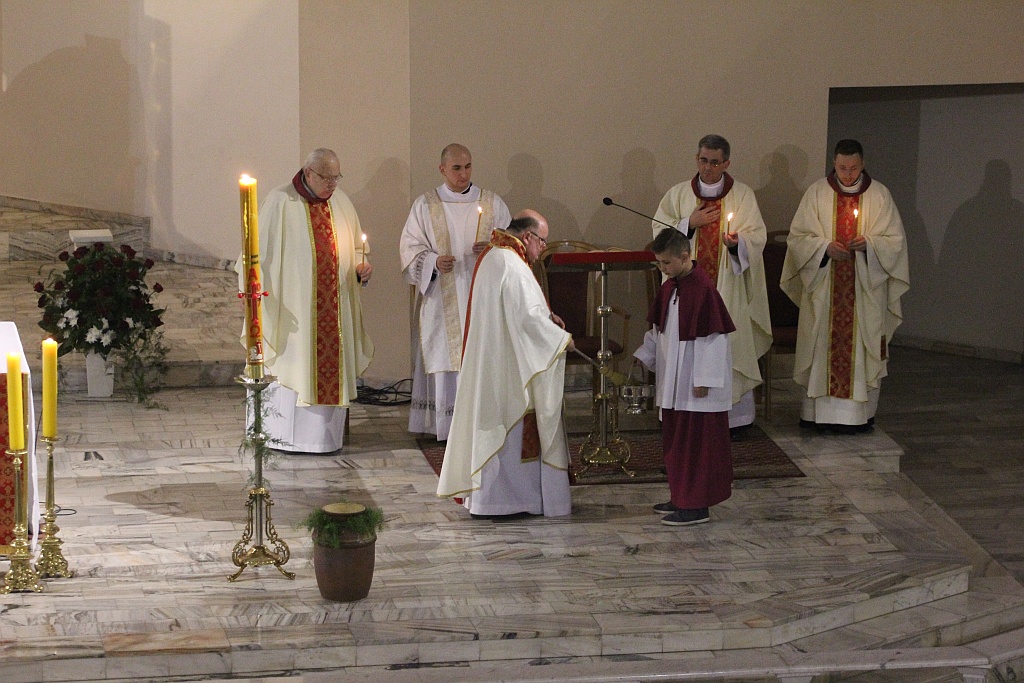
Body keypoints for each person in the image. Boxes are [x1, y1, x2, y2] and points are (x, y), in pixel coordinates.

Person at [235, 148, 374, 453]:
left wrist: (362, 267)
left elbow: (357, 251)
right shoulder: (280, 201)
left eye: (337, 177)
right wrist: (257, 292)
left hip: (333, 311)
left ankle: (323, 440)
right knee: (293, 363)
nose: (333, 184)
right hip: (293, 312)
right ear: (309, 173)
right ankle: (279, 436)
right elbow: (257, 257)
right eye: (327, 177)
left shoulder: (341, 202)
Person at [437, 210, 573, 518]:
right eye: (542, 241)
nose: (542, 249)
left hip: (497, 361)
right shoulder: (511, 263)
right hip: (511, 369)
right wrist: (561, 339)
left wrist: (546, 318)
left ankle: (491, 501)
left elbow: (517, 309)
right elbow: (527, 319)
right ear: (527, 237)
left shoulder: (494, 254)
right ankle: (514, 501)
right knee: (513, 434)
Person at [781, 139, 909, 433]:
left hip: (865, 291)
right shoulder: (817, 193)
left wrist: (870, 246)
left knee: (863, 346)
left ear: (862, 164)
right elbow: (798, 238)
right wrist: (824, 249)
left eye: (853, 168)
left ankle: (857, 416)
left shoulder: (879, 195)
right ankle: (816, 414)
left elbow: (895, 243)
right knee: (821, 345)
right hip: (825, 290)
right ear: (834, 164)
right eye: (841, 167)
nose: (848, 174)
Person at [652, 134, 771, 435]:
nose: (707, 167)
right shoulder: (678, 194)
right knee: (683, 351)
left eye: (714, 162)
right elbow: (659, 232)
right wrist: (688, 224)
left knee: (727, 349)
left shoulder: (743, 196)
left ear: (726, 163)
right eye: (703, 160)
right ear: (697, 159)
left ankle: (733, 420)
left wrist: (736, 244)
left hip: (727, 291)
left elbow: (757, 237)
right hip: (684, 297)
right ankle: (683, 415)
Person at [400, 143, 512, 442]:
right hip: (442, 296)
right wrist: (433, 261)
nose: (464, 174)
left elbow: (513, 248)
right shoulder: (426, 205)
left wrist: (492, 248)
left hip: (483, 297)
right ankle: (447, 427)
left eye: (468, 167)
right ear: (442, 169)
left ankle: (482, 423)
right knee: (446, 352)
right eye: (456, 168)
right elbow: (410, 249)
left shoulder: (492, 203)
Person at [634, 228, 736, 526]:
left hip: (695, 385)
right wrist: (644, 356)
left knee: (697, 446)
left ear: (684, 256)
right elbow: (659, 330)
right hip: (673, 384)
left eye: (666, 263)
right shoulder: (670, 287)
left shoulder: (703, 289)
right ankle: (681, 496)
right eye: (659, 263)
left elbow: (715, 338)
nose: (662, 269)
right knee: (676, 442)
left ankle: (696, 506)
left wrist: (705, 378)